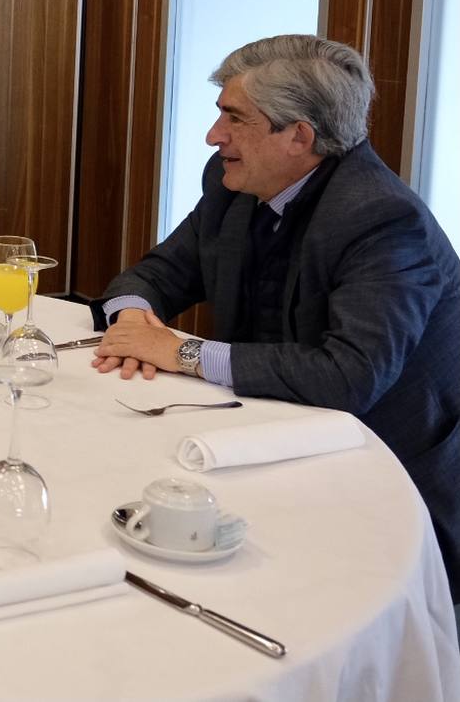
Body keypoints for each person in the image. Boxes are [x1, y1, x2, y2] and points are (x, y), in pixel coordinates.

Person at [91, 34, 460, 598]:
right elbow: (156, 274)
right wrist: (135, 320)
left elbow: (348, 378)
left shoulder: (383, 220)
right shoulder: (234, 181)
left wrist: (183, 353)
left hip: (386, 479)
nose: (214, 137)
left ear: (300, 136)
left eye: (234, 119)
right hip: (262, 440)